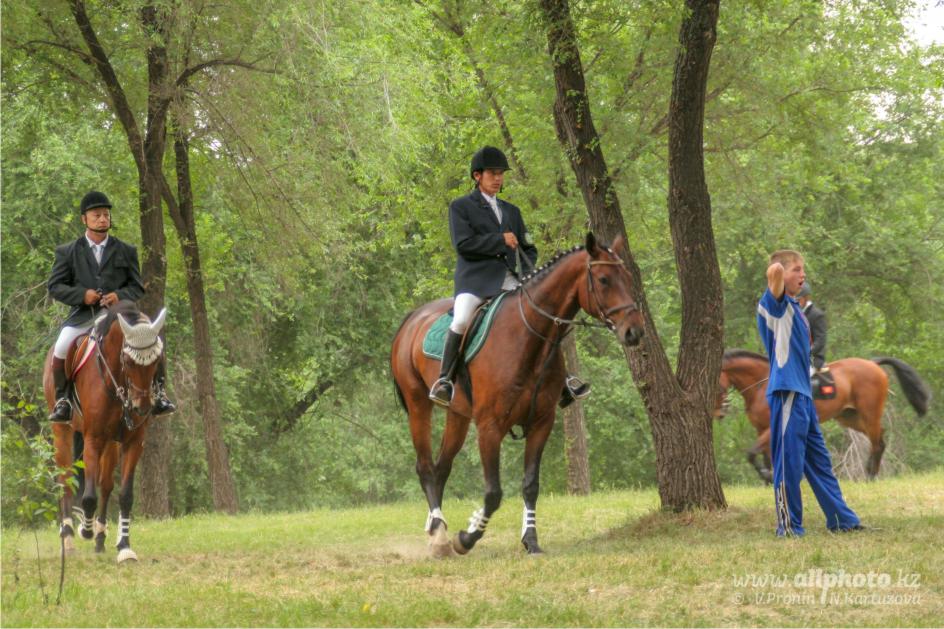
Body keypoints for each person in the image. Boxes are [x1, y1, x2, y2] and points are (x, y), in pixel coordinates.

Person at [428, 146, 589, 407]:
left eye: (501, 173)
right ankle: (445, 380)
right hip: (475, 282)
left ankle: (563, 380)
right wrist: (499, 240)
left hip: (510, 281)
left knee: (541, 317)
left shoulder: (512, 211)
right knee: (461, 319)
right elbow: (463, 245)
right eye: (493, 173)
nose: (498, 178)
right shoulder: (461, 207)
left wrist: (528, 276)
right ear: (477, 175)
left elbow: (529, 248)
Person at [47, 190, 176, 422]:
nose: (103, 219)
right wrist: (82, 295)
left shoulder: (126, 250)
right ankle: (63, 400)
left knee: (152, 341)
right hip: (84, 315)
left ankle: (159, 394)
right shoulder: (67, 252)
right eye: (97, 215)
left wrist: (119, 295)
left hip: (121, 315)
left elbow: (136, 287)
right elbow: (55, 286)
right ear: (84, 219)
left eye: (106, 215)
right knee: (62, 345)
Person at [756, 249, 861, 536]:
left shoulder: (795, 307)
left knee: (819, 462)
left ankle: (843, 520)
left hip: (803, 395)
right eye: (797, 269)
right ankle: (789, 526)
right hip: (787, 393)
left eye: (803, 270)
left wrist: (792, 270)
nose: (803, 275)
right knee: (788, 463)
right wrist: (781, 268)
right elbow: (774, 273)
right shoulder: (775, 305)